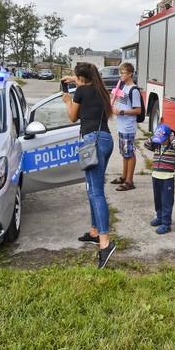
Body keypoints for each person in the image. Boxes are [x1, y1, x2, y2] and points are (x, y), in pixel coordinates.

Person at [61, 62, 116, 269]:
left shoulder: (81, 92)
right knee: (93, 188)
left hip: (90, 142)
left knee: (96, 192)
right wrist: (73, 80)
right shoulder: (102, 91)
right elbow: (84, 83)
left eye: (75, 77)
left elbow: (73, 116)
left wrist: (67, 100)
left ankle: (105, 243)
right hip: (106, 140)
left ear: (80, 78)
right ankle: (94, 232)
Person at [144, 124, 175, 234]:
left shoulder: (173, 147)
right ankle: (159, 216)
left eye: (163, 139)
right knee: (157, 199)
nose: (161, 142)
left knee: (166, 201)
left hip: (167, 178)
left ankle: (166, 223)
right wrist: (155, 136)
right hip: (156, 176)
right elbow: (146, 144)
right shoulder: (156, 145)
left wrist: (171, 136)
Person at [111, 62, 141, 191]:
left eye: (123, 72)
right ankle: (124, 176)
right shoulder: (124, 87)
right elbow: (123, 103)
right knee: (124, 153)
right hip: (122, 125)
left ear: (130, 74)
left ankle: (129, 181)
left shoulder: (134, 90)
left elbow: (138, 110)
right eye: (120, 72)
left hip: (128, 126)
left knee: (129, 153)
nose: (120, 75)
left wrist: (121, 112)